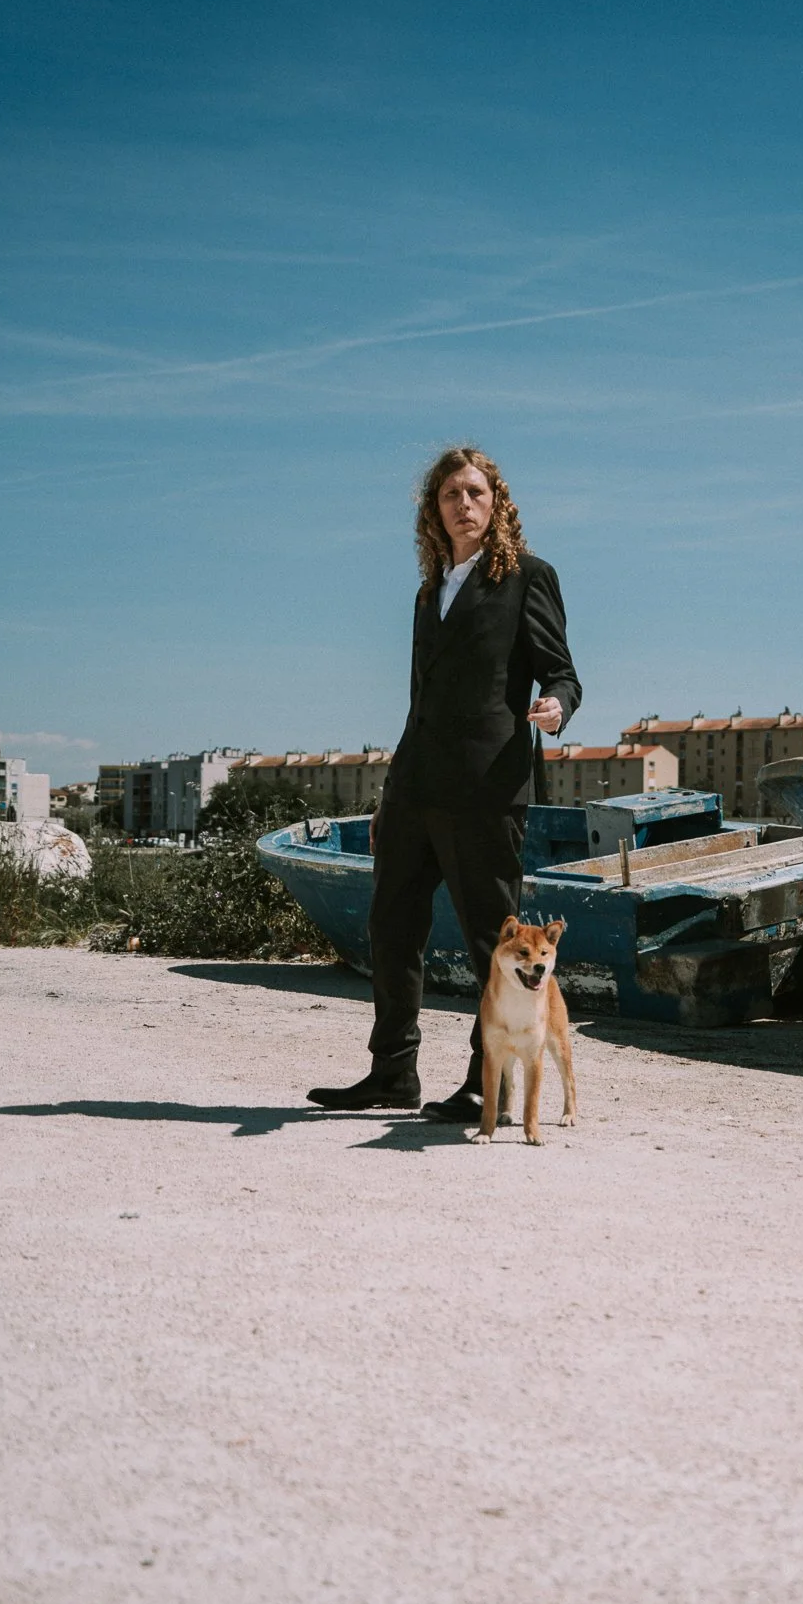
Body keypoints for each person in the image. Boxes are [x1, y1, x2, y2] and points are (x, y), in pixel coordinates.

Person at [308, 446, 581, 1121]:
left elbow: (563, 674)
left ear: (497, 503)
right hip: (415, 786)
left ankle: (483, 1084)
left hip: (487, 788)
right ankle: (391, 1072)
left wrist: (555, 707)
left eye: (475, 493)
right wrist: (389, 792)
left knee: (497, 942)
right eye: (450, 495)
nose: (464, 505)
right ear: (434, 510)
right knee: (391, 927)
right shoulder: (429, 593)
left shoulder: (527, 577)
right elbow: (419, 701)